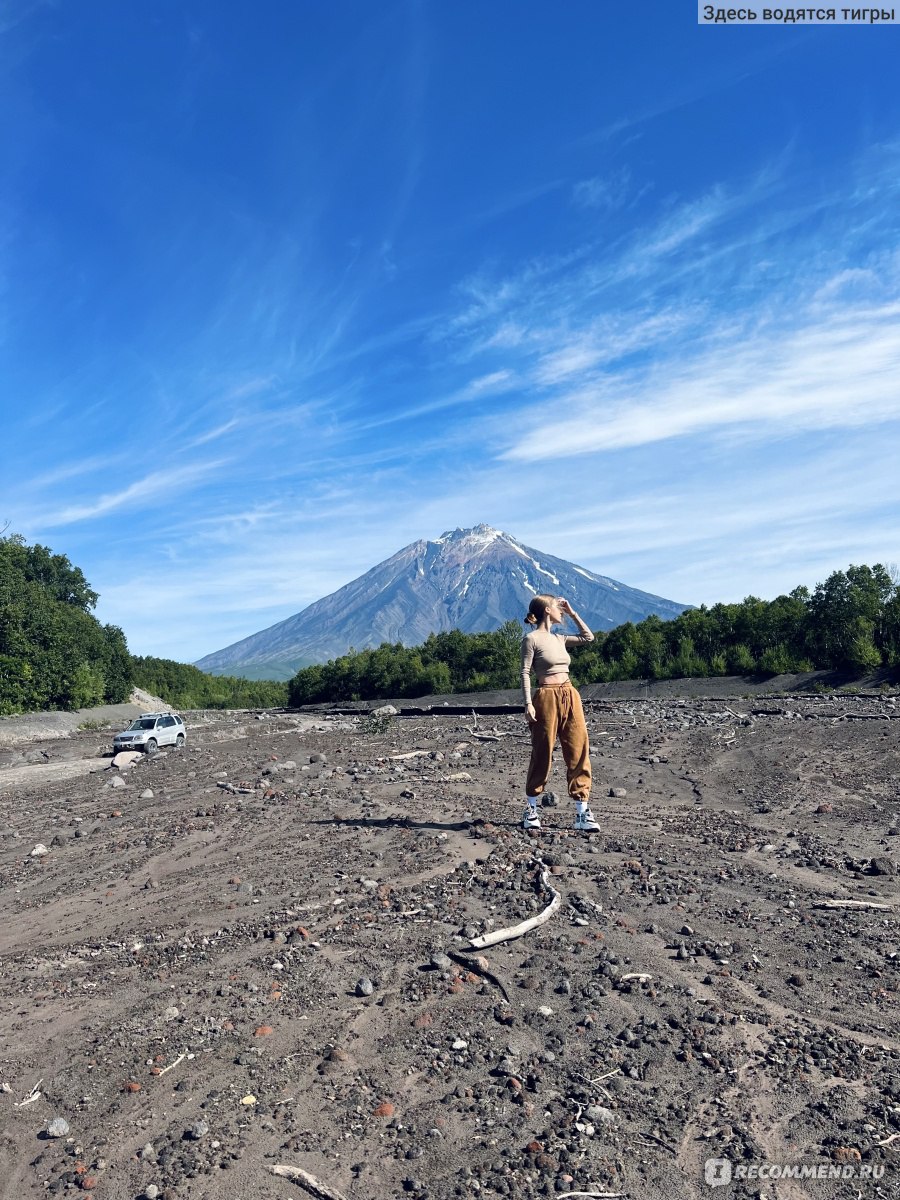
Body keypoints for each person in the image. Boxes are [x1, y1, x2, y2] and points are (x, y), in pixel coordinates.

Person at [520, 594, 600, 833]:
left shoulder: (560, 638)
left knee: (578, 749)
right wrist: (528, 703)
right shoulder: (531, 639)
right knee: (543, 751)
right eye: (558, 607)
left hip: (570, 695)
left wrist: (573, 612)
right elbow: (525, 672)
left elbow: (589, 637)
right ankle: (532, 808)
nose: (561, 611)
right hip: (545, 696)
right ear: (546, 610)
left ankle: (582, 812)